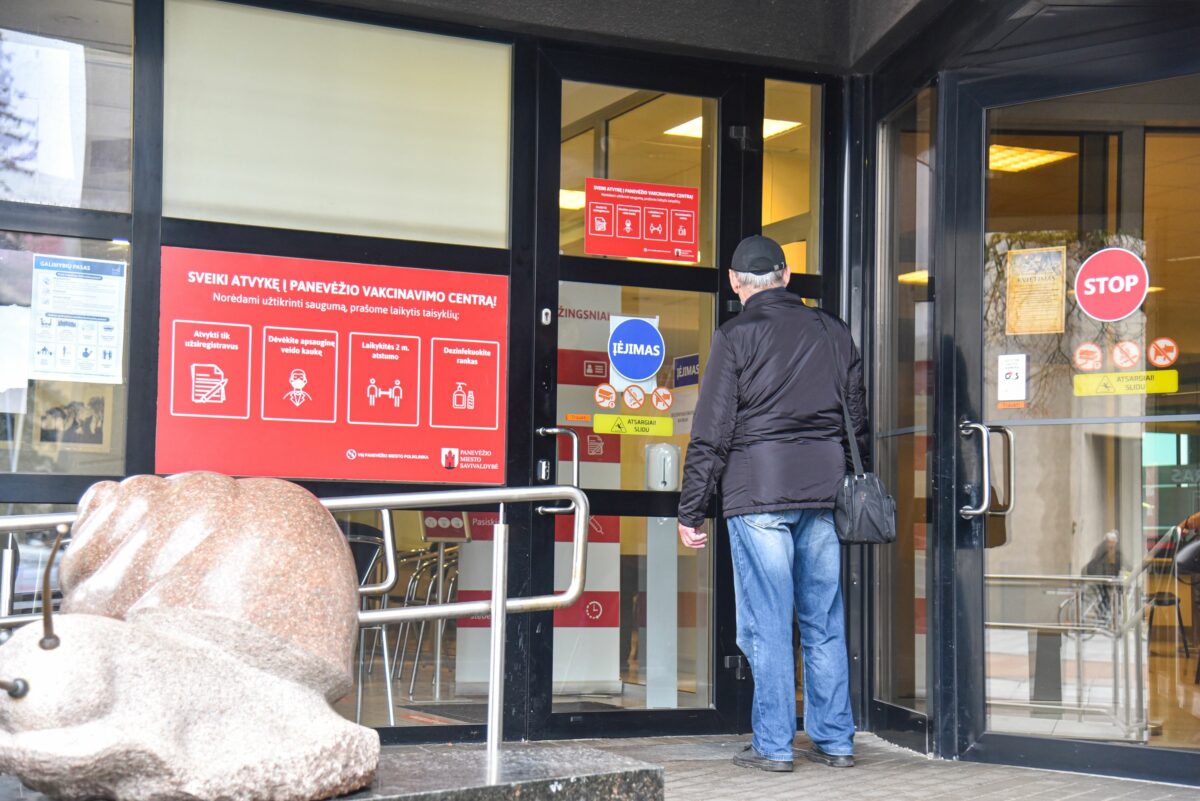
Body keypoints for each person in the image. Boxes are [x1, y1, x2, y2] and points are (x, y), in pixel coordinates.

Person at [677, 235, 867, 773]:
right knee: (822, 620)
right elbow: (857, 420)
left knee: (768, 622)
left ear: (734, 283)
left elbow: (711, 430)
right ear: (786, 276)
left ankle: (774, 745)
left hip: (757, 493)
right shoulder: (833, 330)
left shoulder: (735, 335)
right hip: (823, 491)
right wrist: (851, 483)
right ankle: (835, 739)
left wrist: (692, 508)